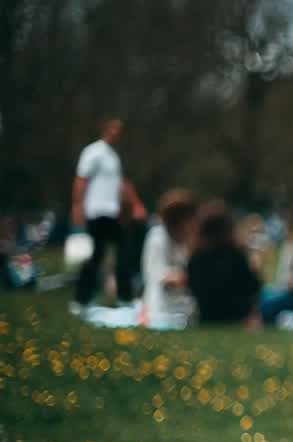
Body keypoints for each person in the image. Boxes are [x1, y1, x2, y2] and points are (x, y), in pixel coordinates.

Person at [71, 117, 147, 312]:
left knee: (123, 252)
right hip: (97, 211)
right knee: (96, 255)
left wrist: (135, 204)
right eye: (113, 129)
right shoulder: (93, 152)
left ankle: (125, 298)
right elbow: (81, 179)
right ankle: (81, 299)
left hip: (113, 212)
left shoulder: (114, 157)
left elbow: (121, 185)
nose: (117, 133)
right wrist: (77, 206)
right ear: (105, 129)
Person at [186, 202, 262, 326]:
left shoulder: (197, 257)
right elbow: (254, 286)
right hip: (237, 317)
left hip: (206, 316)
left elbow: (192, 287)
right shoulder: (236, 255)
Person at [141, 189, 199, 328]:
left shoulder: (186, 242)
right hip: (162, 309)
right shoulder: (157, 238)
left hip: (184, 308)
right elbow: (163, 278)